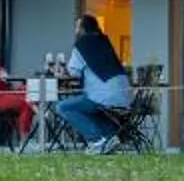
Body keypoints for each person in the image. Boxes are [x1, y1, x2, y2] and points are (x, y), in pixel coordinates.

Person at [58, 14, 135, 153]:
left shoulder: (81, 44)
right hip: (125, 97)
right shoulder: (105, 42)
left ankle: (97, 139)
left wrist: (60, 70)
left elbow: (72, 73)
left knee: (63, 107)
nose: (76, 31)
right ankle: (110, 136)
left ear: (82, 29)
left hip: (103, 96)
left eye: (77, 27)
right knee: (92, 109)